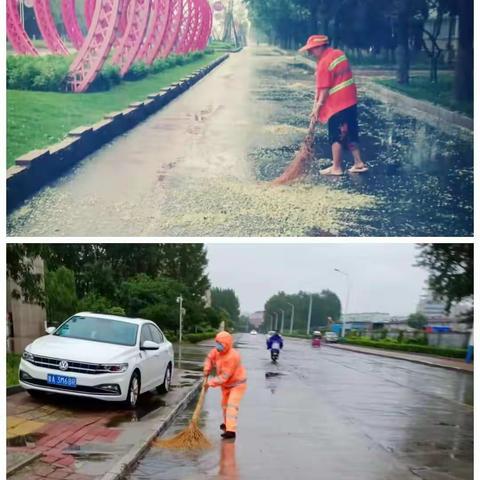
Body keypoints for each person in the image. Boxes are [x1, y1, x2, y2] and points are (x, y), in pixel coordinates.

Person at [299, 34, 368, 176]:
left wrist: (318, 107)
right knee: (349, 131)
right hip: (350, 100)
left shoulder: (324, 63)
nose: (310, 53)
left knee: (335, 134)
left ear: (320, 47)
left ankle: (336, 167)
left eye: (311, 50)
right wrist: (315, 106)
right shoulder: (339, 54)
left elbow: (323, 89)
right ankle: (358, 162)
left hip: (338, 104)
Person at [204, 331, 247, 440]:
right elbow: (209, 358)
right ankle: (227, 424)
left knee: (231, 406)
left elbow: (224, 377)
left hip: (237, 385)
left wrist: (210, 383)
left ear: (227, 344)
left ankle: (231, 431)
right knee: (224, 405)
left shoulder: (232, 357)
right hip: (226, 386)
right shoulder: (217, 351)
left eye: (220, 344)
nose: (217, 346)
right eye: (217, 343)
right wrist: (207, 369)